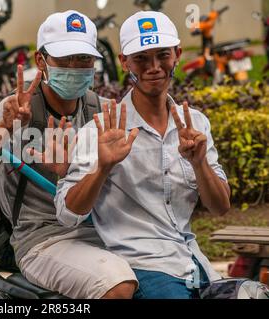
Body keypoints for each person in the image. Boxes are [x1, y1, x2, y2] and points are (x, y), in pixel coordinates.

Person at [0, 10, 138, 299]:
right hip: (42, 240)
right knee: (117, 286)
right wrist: (4, 128)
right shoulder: (15, 110)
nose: (75, 68)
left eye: (84, 59)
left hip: (104, 233)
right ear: (41, 61)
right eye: (64, 60)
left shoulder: (102, 112)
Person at [55, 11, 231, 299]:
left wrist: (199, 164)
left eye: (162, 55)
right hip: (144, 268)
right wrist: (101, 167)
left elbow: (220, 207)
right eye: (141, 58)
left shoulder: (196, 124)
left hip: (195, 264)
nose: (154, 67)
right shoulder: (100, 131)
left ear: (177, 55)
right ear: (124, 62)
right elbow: (66, 214)